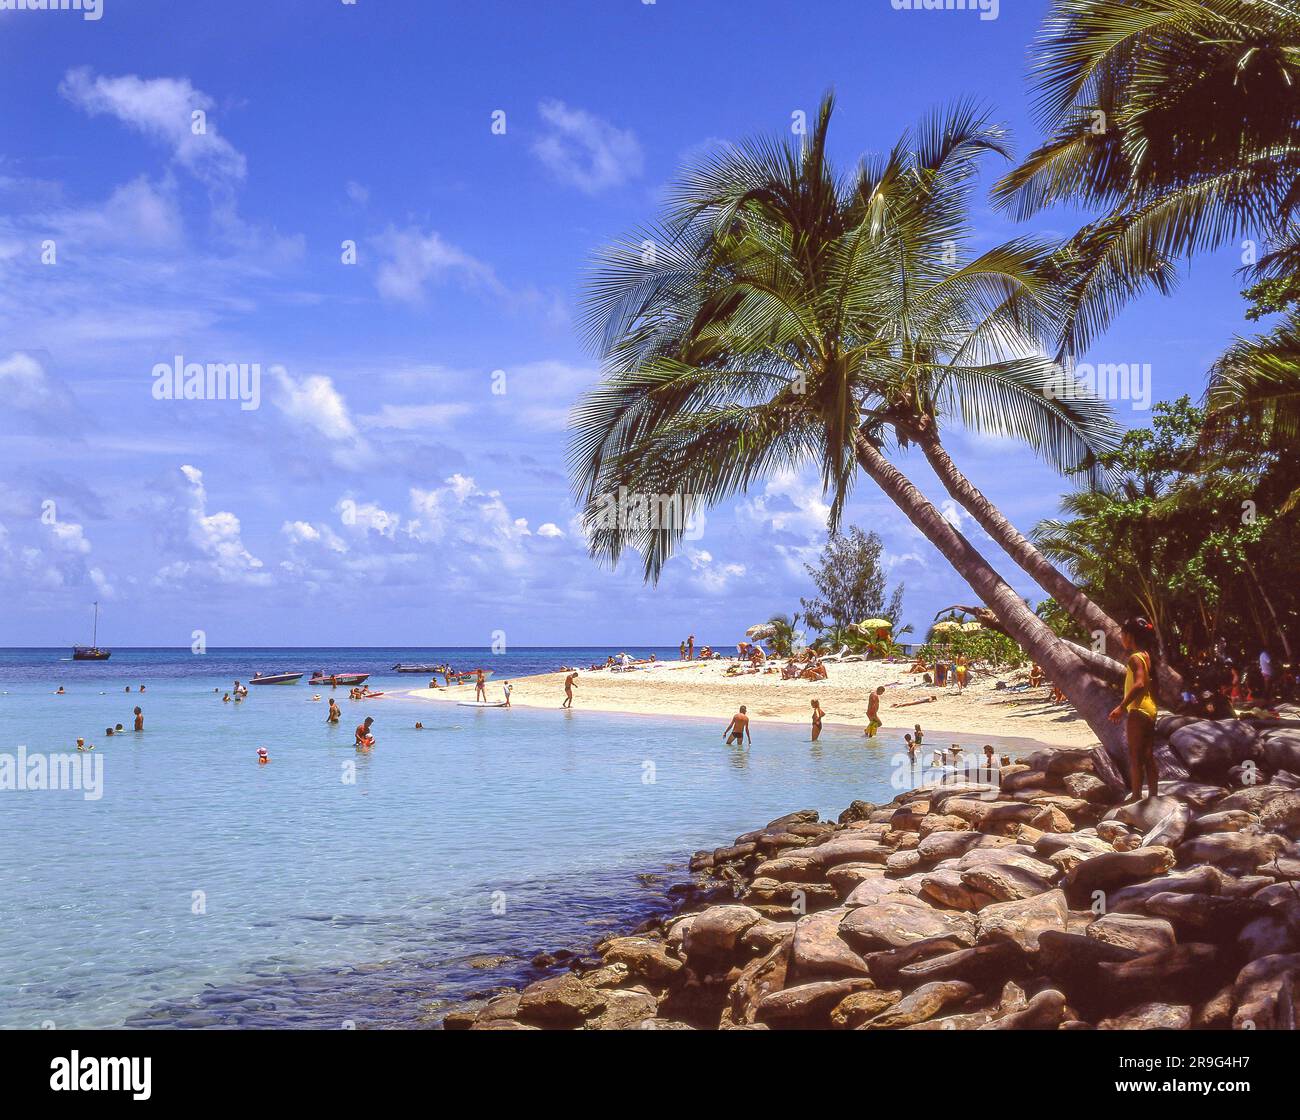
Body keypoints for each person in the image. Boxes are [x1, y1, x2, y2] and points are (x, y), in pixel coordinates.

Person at [1109, 616, 1159, 802]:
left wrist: (1121, 707)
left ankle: (1136, 796)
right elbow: (1152, 685)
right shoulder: (1147, 656)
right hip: (1150, 708)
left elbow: (1139, 684)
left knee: (1135, 756)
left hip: (1138, 710)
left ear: (1129, 636)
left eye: (1122, 634)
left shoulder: (1135, 658)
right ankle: (1153, 795)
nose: (1121, 638)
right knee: (1148, 755)